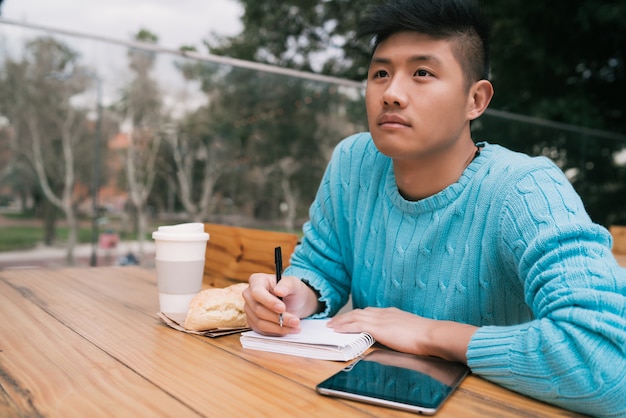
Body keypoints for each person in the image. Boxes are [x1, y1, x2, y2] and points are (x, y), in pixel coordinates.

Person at [242, 0, 626, 416]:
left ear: (475, 100)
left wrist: (431, 334)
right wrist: (297, 297)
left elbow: (607, 362)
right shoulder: (354, 160)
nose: (391, 93)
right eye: (380, 73)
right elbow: (321, 266)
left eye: (422, 73)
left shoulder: (525, 189)